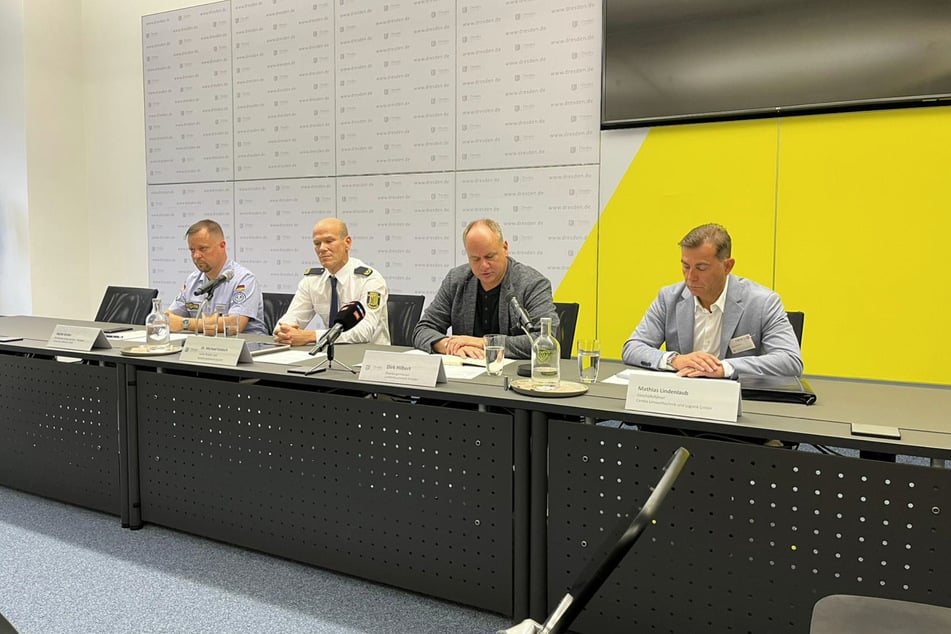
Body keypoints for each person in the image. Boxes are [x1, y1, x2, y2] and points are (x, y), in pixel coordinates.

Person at [622, 223, 802, 378]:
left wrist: (723, 368)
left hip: (736, 405)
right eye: (685, 266)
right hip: (679, 401)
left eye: (701, 268)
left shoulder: (762, 303)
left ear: (727, 266)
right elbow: (633, 348)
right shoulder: (669, 298)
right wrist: (675, 360)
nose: (690, 277)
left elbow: (790, 361)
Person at [413, 218, 558, 360]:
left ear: (505, 248)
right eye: (475, 259)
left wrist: (483, 343)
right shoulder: (456, 280)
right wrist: (450, 346)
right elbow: (422, 329)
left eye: (490, 256)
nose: (484, 266)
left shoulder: (532, 284)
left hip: (513, 377)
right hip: (466, 376)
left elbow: (545, 340)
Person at [273, 217, 390, 346]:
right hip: (328, 354)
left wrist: (310, 336)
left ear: (348, 242)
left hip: (368, 357)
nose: (322, 248)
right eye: (317, 243)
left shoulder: (370, 280)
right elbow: (291, 318)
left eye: (329, 241)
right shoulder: (312, 281)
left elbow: (365, 331)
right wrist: (283, 331)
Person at [166, 219, 267, 335]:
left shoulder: (244, 279)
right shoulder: (192, 280)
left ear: (222, 246)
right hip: (206, 347)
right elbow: (169, 317)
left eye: (203, 249)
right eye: (192, 250)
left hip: (247, 348)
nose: (196, 256)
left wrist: (185, 323)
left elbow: (235, 324)